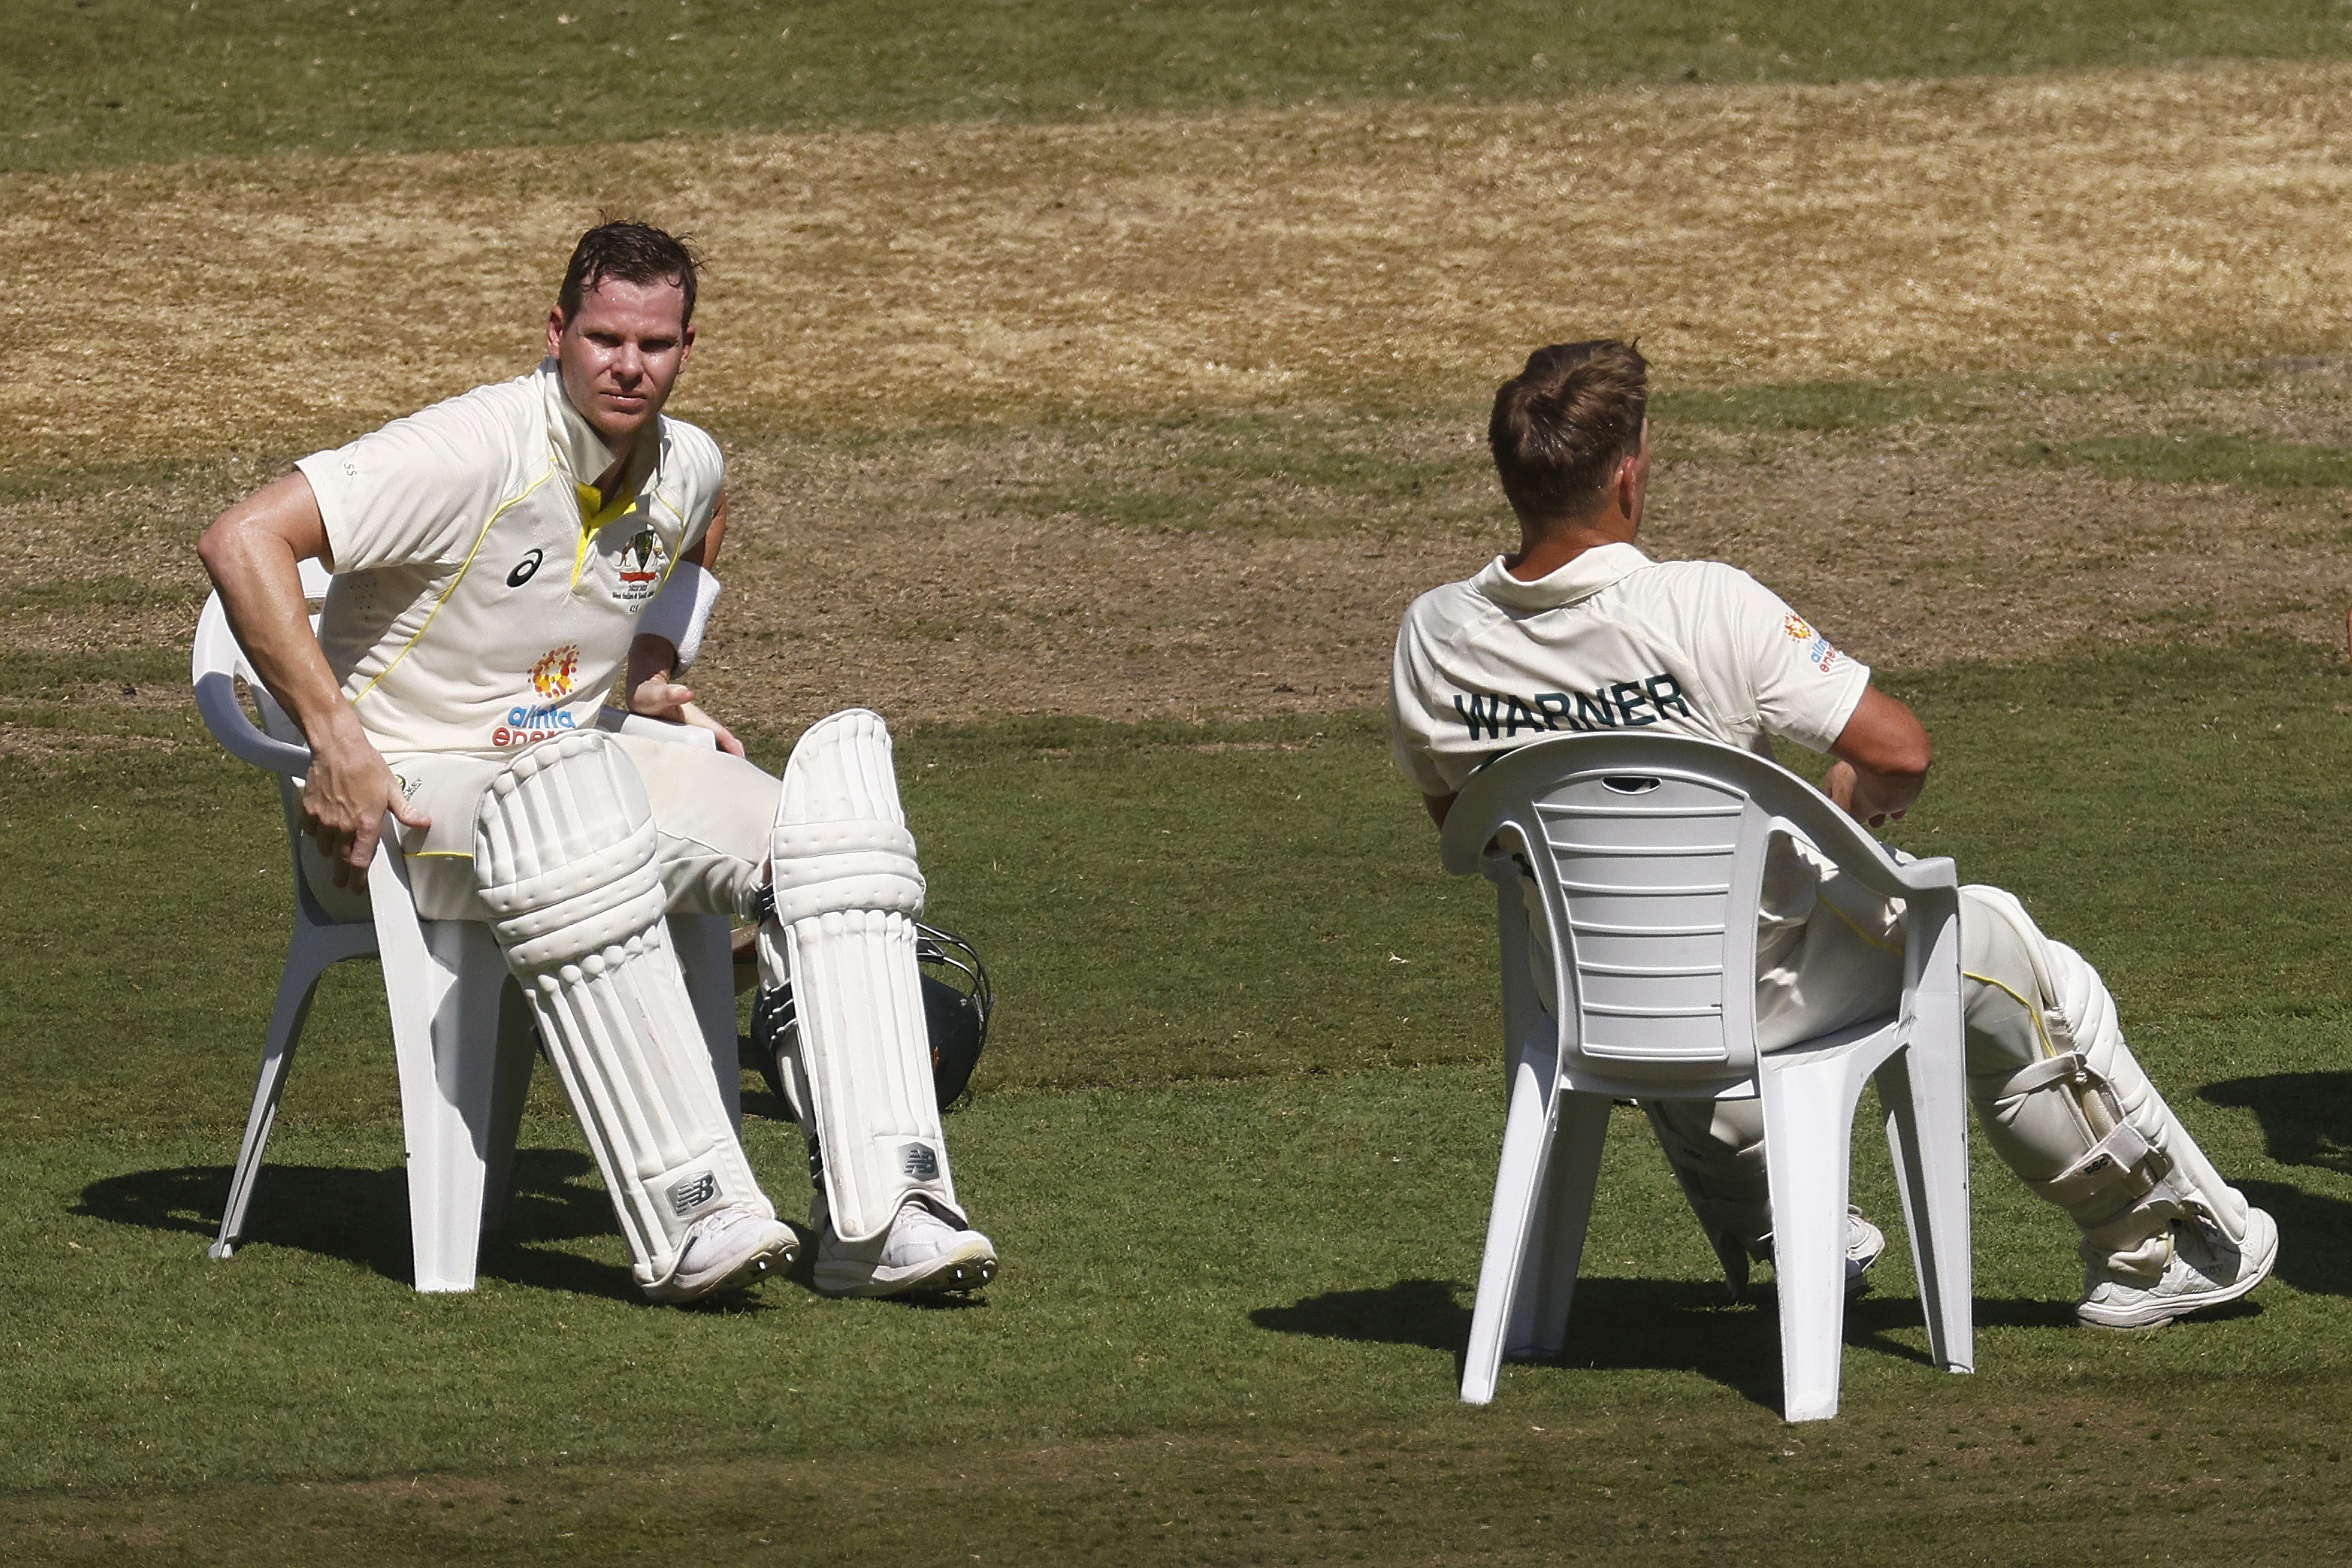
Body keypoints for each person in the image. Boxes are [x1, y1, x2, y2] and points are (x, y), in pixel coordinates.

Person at [1387, 339, 2276, 1329]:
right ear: (1628, 476)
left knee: (1655, 939)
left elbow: (1477, 833)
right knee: (2003, 946)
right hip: (1770, 986)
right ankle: (2165, 1248)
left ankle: (1791, 1227)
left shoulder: (1433, 637)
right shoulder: (1704, 601)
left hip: (1594, 995)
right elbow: (1902, 752)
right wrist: (1839, 801)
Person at [197, 220, 997, 1305]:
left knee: (830, 823)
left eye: (656, 345)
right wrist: (334, 744)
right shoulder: (470, 448)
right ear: (559, 333)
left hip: (579, 757)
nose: (630, 366)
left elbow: (701, 519)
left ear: (686, 346)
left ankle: (885, 1215)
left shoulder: (685, 459)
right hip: (407, 788)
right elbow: (242, 541)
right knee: (576, 819)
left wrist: (658, 667)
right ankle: (694, 1212)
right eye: (607, 338)